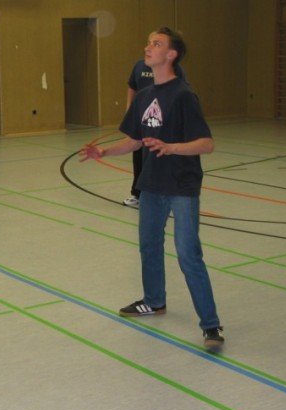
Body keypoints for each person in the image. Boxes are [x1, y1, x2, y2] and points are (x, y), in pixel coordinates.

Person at [80, 28, 224, 349]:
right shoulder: (144, 96)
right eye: (148, 42)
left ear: (171, 55)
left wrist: (171, 148)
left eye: (156, 44)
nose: (148, 47)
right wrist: (103, 151)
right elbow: (134, 140)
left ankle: (211, 325)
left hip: (182, 186)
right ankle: (154, 301)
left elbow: (207, 144)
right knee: (148, 246)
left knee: (188, 255)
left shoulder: (184, 95)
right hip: (152, 185)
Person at [123, 59, 187, 208]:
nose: (148, 48)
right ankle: (137, 194)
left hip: (163, 121)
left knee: (160, 157)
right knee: (139, 156)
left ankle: (168, 193)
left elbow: (181, 91)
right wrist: (129, 108)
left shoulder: (175, 68)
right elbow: (132, 86)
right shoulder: (138, 66)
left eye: (155, 46)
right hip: (143, 119)